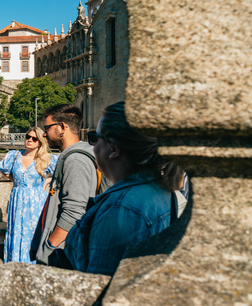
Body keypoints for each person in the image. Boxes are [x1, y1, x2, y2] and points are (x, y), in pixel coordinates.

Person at [65, 102, 182, 275]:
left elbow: (99, 286)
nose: (93, 147)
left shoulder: (121, 210)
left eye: (95, 139)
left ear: (113, 148)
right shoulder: (159, 190)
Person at [31, 104, 108, 266]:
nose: (44, 134)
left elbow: (74, 211)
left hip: (62, 254)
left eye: (47, 128)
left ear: (62, 127)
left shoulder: (76, 160)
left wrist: (49, 247)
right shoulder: (80, 154)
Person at [0, 127, 57, 263]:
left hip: (36, 201)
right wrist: (17, 182)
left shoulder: (46, 159)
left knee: (32, 234)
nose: (29, 140)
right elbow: (5, 170)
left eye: (34, 138)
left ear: (40, 142)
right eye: (28, 137)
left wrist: (47, 181)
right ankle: (15, 265)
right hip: (17, 199)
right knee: (16, 232)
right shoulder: (15, 155)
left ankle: (32, 265)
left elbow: (61, 172)